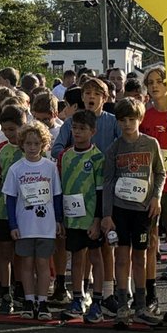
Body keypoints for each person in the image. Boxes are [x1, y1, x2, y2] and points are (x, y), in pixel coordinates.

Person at [101, 97, 166, 326]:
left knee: (141, 256)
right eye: (122, 120)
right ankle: (122, 307)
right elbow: (108, 182)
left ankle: (141, 307)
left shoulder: (150, 144)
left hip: (143, 210)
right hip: (120, 210)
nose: (127, 124)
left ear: (140, 119)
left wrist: (156, 197)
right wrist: (107, 215)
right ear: (118, 122)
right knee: (121, 257)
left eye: (131, 119)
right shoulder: (114, 149)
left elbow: (160, 173)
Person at [3, 121, 64, 320]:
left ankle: (43, 302)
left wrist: (58, 220)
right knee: (27, 264)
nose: (32, 147)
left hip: (46, 226)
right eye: (28, 143)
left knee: (43, 264)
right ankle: (29, 300)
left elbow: (56, 195)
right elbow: (10, 198)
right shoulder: (16, 169)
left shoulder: (50, 167)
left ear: (43, 145)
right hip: (24, 226)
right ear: (22, 144)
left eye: (36, 143)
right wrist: (13, 224)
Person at [58, 109, 105, 321]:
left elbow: (101, 191)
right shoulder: (66, 156)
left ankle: (98, 302)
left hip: (91, 219)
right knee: (77, 257)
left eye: (82, 129)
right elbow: (61, 189)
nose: (77, 132)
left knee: (95, 257)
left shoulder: (97, 157)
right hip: (72, 218)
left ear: (92, 131)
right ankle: (77, 299)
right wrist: (61, 218)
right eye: (74, 128)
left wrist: (97, 220)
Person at [0, 104, 28, 313]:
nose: (9, 134)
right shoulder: (0, 148)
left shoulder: (29, 147)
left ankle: (21, 288)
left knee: (21, 252)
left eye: (13, 129)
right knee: (4, 252)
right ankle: (4, 291)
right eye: (5, 130)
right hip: (4, 208)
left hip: (26, 209)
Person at [140, 65, 167, 317]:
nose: (154, 86)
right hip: (150, 188)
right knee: (151, 242)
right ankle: (150, 296)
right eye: (150, 82)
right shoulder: (145, 116)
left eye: (159, 81)